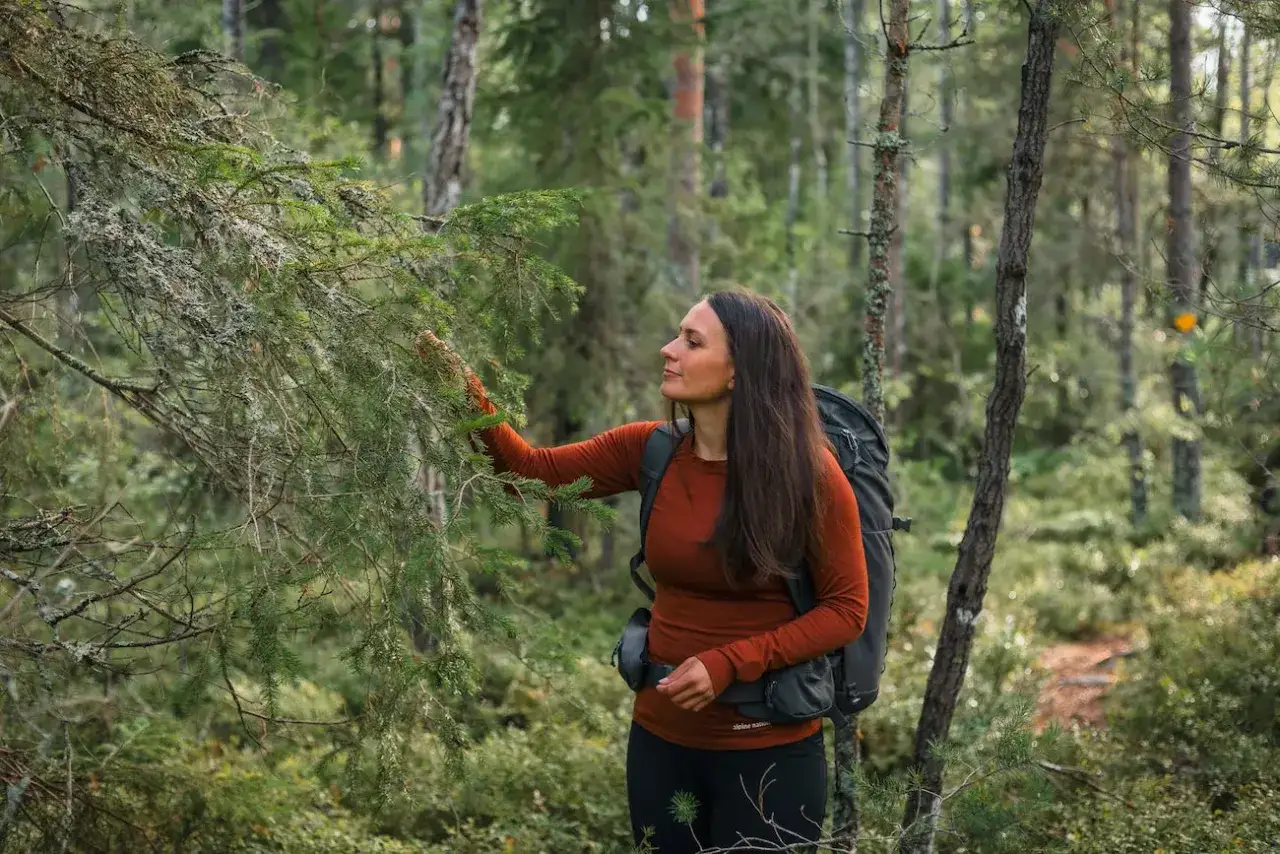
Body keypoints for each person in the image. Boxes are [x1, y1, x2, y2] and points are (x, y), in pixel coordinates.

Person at [420, 288, 869, 853]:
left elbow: (847, 610)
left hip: (770, 754)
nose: (668, 349)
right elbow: (527, 472)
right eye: (676, 334)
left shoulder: (811, 474)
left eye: (691, 341)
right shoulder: (651, 450)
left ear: (738, 373)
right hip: (660, 745)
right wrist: (458, 382)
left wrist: (729, 663)